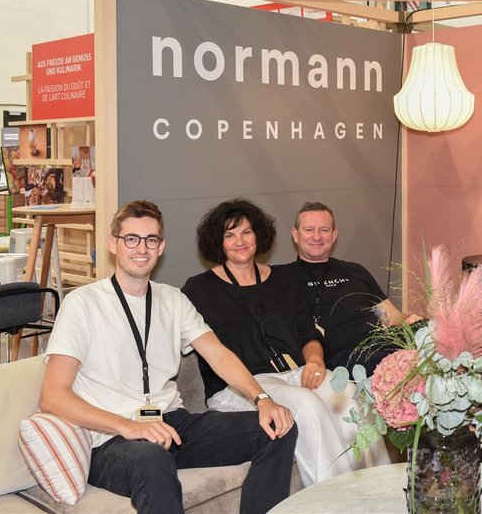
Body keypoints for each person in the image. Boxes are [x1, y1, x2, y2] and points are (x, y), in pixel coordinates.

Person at [40, 200, 297, 514]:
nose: (141, 248)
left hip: (173, 424)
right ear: (113, 244)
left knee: (278, 428)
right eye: (131, 239)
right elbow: (53, 396)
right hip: (111, 438)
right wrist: (128, 427)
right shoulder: (83, 303)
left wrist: (262, 399)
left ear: (161, 247)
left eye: (151, 240)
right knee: (151, 458)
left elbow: (218, 355)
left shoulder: (173, 299)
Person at [181, 198, 390, 486]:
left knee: (350, 397)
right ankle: (333, 499)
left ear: (258, 235)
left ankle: (379, 491)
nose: (240, 241)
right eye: (230, 234)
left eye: (246, 232)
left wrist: (315, 361)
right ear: (218, 241)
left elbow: (309, 334)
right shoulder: (198, 289)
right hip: (241, 387)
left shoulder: (282, 280)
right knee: (306, 406)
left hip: (295, 374)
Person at [278, 202, 419, 376]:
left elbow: (391, 317)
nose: (317, 236)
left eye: (324, 230)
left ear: (334, 235)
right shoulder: (281, 277)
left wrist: (413, 322)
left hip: (381, 343)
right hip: (343, 355)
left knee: (431, 332)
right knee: (390, 363)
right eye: (309, 230)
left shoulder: (355, 270)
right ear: (295, 234)